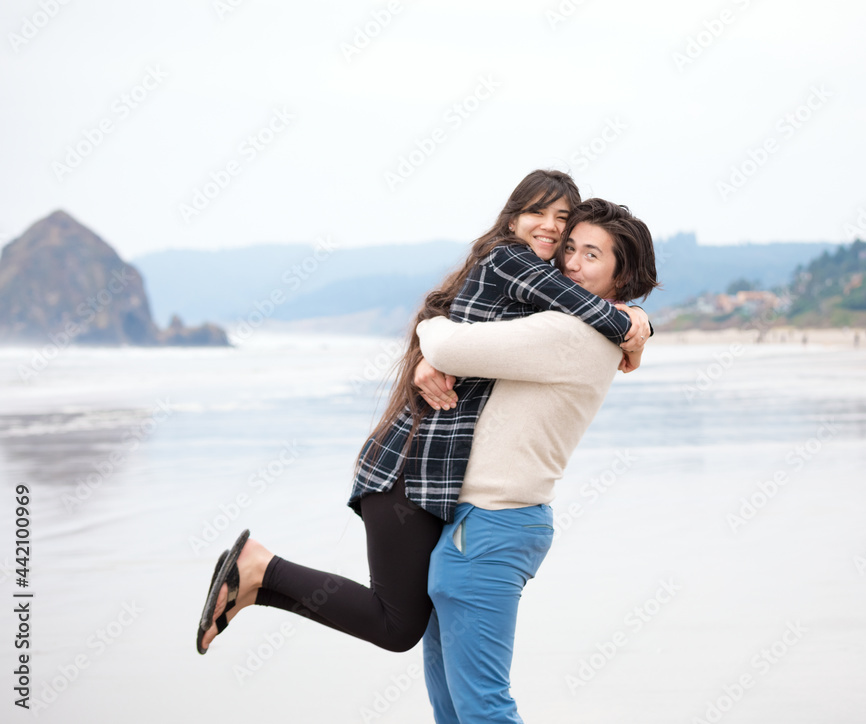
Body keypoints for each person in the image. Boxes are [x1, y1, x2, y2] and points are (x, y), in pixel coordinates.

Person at [196, 171, 652, 654]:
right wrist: (633, 328)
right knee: (398, 627)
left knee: (403, 620)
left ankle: (254, 586)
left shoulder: (537, 289)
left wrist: (637, 318)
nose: (551, 228)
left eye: (563, 219)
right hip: (407, 471)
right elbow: (579, 310)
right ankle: (262, 567)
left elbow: (520, 317)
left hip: (434, 477)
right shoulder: (511, 260)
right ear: (512, 217)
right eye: (537, 212)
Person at [415, 198, 659, 723]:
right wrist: (640, 321)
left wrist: (427, 329)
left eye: (590, 254)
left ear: (624, 273)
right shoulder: (576, 323)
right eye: (569, 248)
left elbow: (449, 345)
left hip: (489, 524)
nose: (569, 263)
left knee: (481, 707)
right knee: (454, 706)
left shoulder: (568, 333)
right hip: (487, 522)